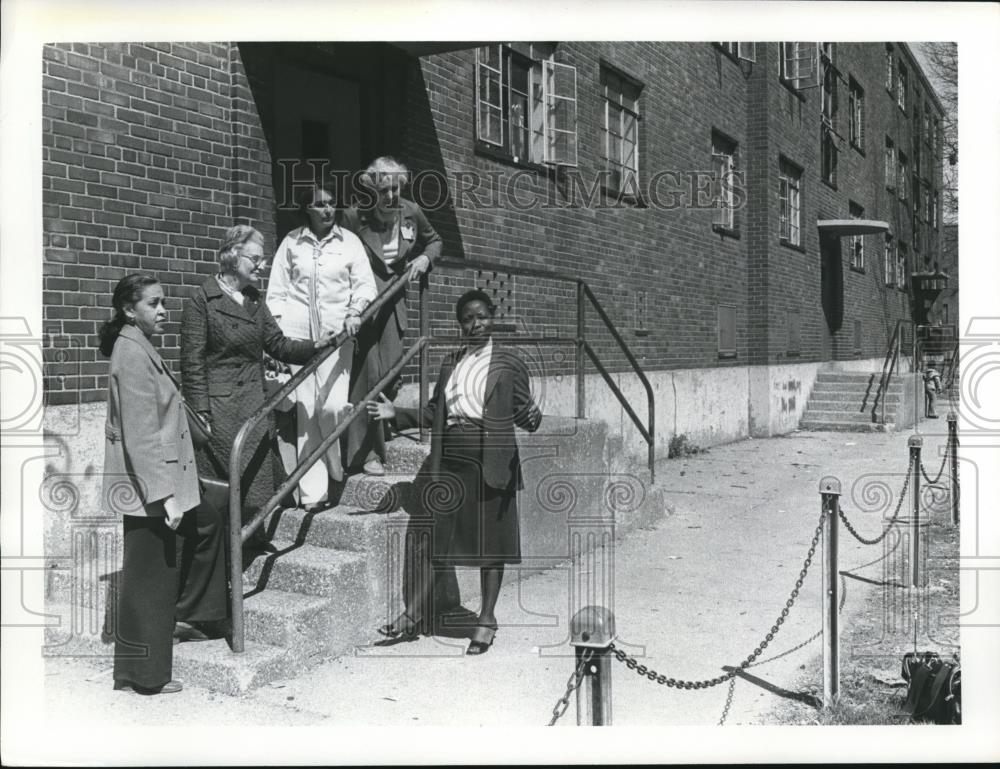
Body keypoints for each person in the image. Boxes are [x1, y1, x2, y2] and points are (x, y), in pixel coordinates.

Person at [367, 289, 542, 655]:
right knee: (439, 540)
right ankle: (414, 613)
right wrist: (396, 414)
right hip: (450, 461)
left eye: (481, 316)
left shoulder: (509, 363)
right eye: (467, 319)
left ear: (491, 317)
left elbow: (528, 416)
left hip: (492, 461)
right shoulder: (451, 363)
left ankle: (486, 619)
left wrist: (531, 417)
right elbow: (435, 413)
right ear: (459, 324)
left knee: (492, 545)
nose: (475, 324)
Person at [101, 274, 227, 694]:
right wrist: (166, 495)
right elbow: (140, 433)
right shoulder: (132, 352)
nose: (162, 311)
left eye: (163, 303)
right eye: (153, 304)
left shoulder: (138, 345)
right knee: (149, 575)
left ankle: (194, 615)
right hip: (150, 482)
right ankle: (144, 678)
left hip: (166, 475)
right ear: (129, 309)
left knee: (208, 520)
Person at [180, 225, 337, 549]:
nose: (262, 265)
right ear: (232, 256)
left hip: (253, 401)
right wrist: (201, 412)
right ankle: (223, 548)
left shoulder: (253, 300)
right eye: (255, 258)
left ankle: (251, 537)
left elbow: (277, 344)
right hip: (219, 408)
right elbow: (192, 362)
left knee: (257, 477)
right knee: (226, 480)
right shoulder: (202, 300)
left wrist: (315, 345)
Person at [267, 185, 377, 510]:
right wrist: (276, 336)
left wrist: (355, 311)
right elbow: (277, 292)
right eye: (320, 205)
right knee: (305, 412)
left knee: (330, 407)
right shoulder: (291, 243)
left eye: (331, 204)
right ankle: (313, 494)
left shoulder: (350, 243)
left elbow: (365, 285)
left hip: (337, 336)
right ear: (307, 209)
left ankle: (332, 462)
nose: (328, 210)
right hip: (297, 338)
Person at [342, 156, 442, 476]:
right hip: (365, 307)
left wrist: (426, 258)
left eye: (395, 189)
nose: (390, 196)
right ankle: (367, 453)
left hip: (395, 305)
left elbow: (435, 240)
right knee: (367, 377)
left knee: (392, 373)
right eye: (383, 189)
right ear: (373, 190)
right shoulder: (354, 217)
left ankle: (382, 425)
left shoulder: (410, 212)